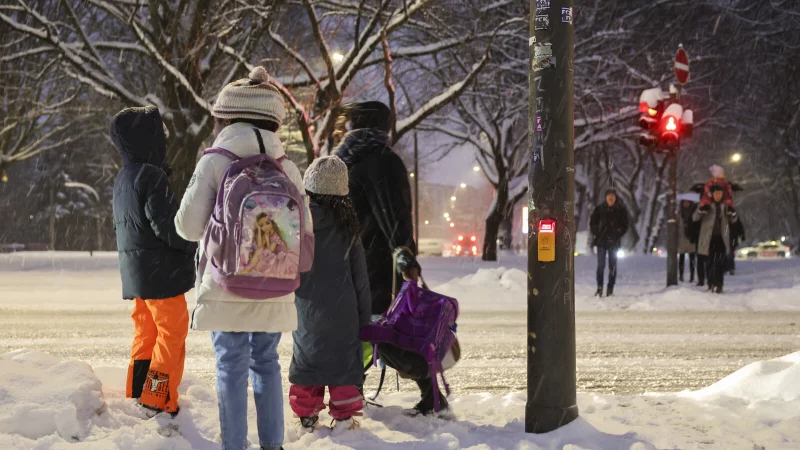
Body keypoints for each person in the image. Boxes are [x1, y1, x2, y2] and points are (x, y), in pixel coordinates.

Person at [174, 67, 309, 450]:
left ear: (225, 117)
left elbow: (187, 225)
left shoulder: (215, 161)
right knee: (266, 362)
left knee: (230, 365)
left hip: (226, 282)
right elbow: (305, 235)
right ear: (274, 121)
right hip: (277, 283)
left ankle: (234, 444)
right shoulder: (289, 168)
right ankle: (273, 445)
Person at [110, 105, 196, 418]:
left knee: (146, 333)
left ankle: (137, 388)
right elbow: (168, 226)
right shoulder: (152, 176)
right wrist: (192, 246)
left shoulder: (124, 177)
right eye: (160, 135)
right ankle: (156, 397)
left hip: (137, 274)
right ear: (150, 140)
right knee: (172, 334)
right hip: (161, 275)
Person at [288, 156, 371, 433]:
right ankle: (345, 415)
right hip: (343, 312)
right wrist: (364, 319)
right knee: (343, 364)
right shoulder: (348, 228)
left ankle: (306, 413)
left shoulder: (299, 222)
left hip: (306, 309)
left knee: (307, 360)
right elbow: (360, 279)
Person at [334, 101, 416, 315]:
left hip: (344, 268)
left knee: (357, 333)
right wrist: (407, 258)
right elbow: (395, 217)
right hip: (377, 268)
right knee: (379, 331)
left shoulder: (343, 162)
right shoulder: (384, 162)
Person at [693, 185, 738, 294]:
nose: (718, 195)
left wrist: (733, 214)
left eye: (720, 193)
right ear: (712, 194)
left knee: (720, 263)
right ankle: (711, 283)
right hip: (709, 239)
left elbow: (733, 220)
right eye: (716, 193)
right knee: (709, 262)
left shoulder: (726, 206)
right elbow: (694, 218)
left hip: (721, 239)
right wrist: (700, 211)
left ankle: (719, 284)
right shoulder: (705, 204)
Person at [590, 188, 630, 297]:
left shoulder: (620, 210)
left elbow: (625, 225)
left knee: (613, 266)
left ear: (615, 198)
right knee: (601, 266)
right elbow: (593, 223)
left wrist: (618, 233)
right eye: (609, 196)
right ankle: (599, 288)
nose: (611, 198)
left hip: (614, 242)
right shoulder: (599, 209)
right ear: (606, 197)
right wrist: (597, 233)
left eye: (613, 196)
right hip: (601, 241)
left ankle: (610, 289)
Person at [677, 199, 698, 283]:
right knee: (681, 259)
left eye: (687, 202)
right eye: (684, 202)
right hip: (681, 238)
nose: (686, 204)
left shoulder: (693, 213)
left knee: (692, 259)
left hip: (691, 239)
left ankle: (692, 276)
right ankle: (681, 276)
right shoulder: (679, 214)